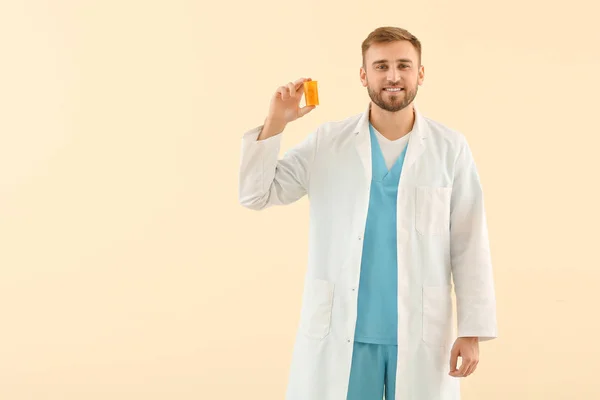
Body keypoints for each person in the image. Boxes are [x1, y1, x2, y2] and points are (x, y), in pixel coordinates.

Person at [238, 26, 498, 400]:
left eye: (403, 65)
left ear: (420, 74)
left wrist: (471, 331)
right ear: (364, 75)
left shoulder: (449, 148)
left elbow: (470, 242)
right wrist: (276, 122)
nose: (392, 76)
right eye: (381, 66)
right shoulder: (328, 143)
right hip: (342, 331)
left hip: (421, 333)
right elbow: (255, 194)